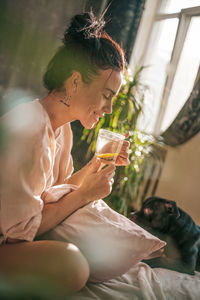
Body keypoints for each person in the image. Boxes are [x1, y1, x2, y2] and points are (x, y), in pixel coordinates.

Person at [0, 11, 130, 296]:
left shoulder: (62, 131)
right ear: (74, 82)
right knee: (72, 266)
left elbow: (59, 189)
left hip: (13, 237)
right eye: (107, 95)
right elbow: (21, 232)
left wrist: (99, 163)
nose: (108, 109)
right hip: (6, 240)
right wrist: (84, 195)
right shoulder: (30, 127)